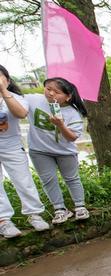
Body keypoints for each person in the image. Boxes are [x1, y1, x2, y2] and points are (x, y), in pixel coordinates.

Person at [25, 77, 89, 224]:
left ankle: (80, 206)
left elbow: (71, 138)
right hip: (39, 150)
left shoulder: (73, 113)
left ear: (68, 96)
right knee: (48, 180)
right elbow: (16, 102)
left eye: (56, 92)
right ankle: (60, 210)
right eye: (48, 89)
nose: (51, 93)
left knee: (72, 179)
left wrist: (60, 125)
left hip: (65, 152)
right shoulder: (33, 100)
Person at [0, 65, 50, 238]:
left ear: (7, 78)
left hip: (12, 146)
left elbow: (21, 113)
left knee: (23, 179)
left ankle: (34, 214)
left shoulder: (17, 98)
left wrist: (3, 91)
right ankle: (3, 221)